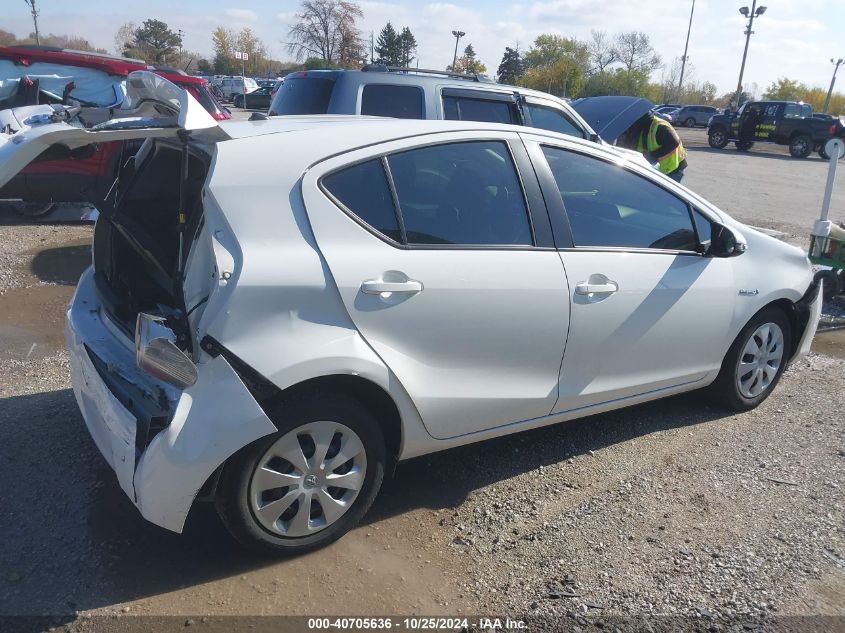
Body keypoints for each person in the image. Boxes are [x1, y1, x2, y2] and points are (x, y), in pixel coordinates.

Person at [620, 113, 688, 183]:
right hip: (657, 169)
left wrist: (652, 156)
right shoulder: (639, 127)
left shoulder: (659, 126)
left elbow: (673, 143)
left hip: (673, 170)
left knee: (663, 193)